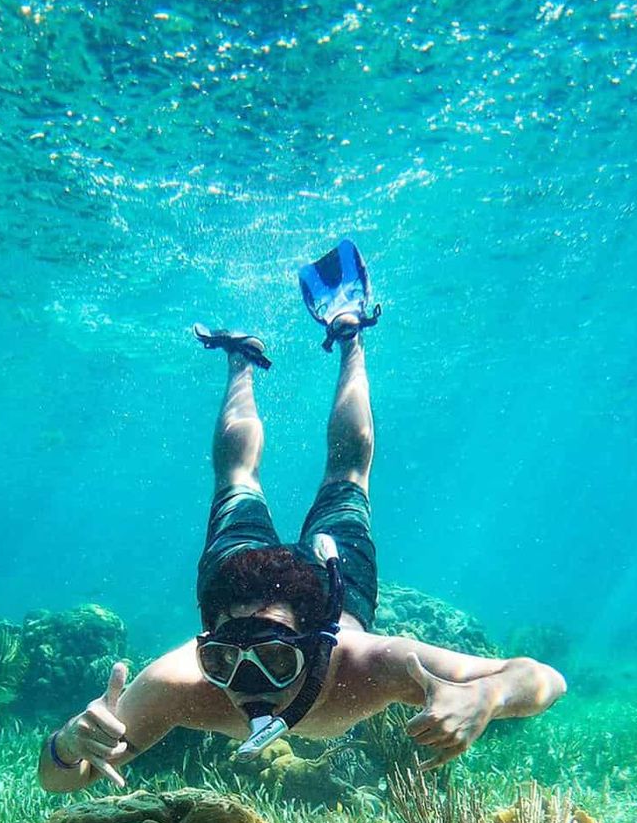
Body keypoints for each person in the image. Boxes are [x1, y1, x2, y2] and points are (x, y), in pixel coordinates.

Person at [39, 240, 565, 794]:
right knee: (273, 479)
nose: (246, 685)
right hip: (243, 569)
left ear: (319, 642)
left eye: (273, 657)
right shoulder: (182, 681)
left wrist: (488, 693)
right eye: (222, 660)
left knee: (329, 473)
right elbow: (59, 780)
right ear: (206, 644)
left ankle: (349, 335)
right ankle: (242, 359)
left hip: (323, 573)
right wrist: (68, 743)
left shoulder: (371, 663)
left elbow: (543, 680)